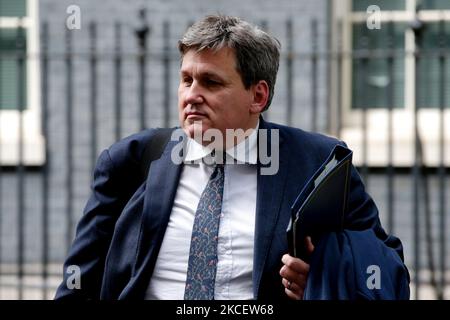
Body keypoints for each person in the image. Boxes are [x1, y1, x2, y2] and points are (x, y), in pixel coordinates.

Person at [55, 15, 409, 300]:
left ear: (257, 96)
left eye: (210, 82)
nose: (192, 95)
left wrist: (324, 278)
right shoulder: (130, 161)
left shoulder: (318, 162)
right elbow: (79, 280)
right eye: (186, 79)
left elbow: (384, 263)